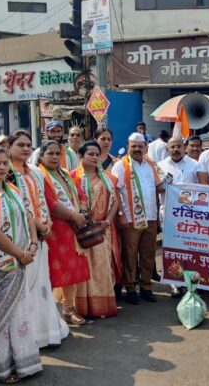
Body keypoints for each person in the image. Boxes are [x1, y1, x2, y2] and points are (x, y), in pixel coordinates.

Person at [0, 146, 42, 383]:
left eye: (5, 163)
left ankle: (23, 363)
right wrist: (19, 254)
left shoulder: (10, 189)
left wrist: (32, 244)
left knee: (19, 316)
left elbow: (28, 216)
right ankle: (1, 368)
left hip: (17, 263)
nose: (2, 167)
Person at [7, 131, 69, 347]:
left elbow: (41, 200)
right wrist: (39, 226)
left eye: (28, 145)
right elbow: (17, 206)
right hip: (19, 236)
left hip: (41, 234)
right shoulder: (6, 172)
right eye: (20, 145)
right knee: (25, 286)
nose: (25, 149)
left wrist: (47, 224)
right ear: (9, 146)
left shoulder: (34, 172)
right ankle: (28, 334)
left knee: (42, 282)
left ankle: (46, 330)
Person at [38, 139, 90, 325]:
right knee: (52, 272)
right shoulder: (40, 176)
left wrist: (82, 212)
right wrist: (74, 215)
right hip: (54, 231)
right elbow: (50, 203)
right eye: (49, 153)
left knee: (71, 272)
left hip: (72, 231)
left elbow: (81, 194)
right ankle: (50, 312)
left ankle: (69, 309)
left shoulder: (66, 174)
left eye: (57, 153)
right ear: (41, 156)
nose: (54, 157)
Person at [71, 141, 122, 318]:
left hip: (102, 229)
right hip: (80, 230)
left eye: (96, 154)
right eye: (90, 154)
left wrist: (108, 221)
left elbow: (116, 201)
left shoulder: (108, 178)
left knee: (101, 269)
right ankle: (82, 308)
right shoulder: (72, 178)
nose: (94, 157)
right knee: (83, 269)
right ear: (81, 156)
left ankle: (101, 307)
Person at [112, 133, 164, 305]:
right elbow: (115, 192)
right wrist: (121, 215)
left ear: (146, 147)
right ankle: (131, 288)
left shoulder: (151, 164)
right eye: (133, 146)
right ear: (128, 146)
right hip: (131, 218)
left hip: (150, 216)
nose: (136, 149)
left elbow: (159, 188)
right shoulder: (121, 165)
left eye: (140, 146)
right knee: (130, 255)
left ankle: (146, 287)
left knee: (149, 254)